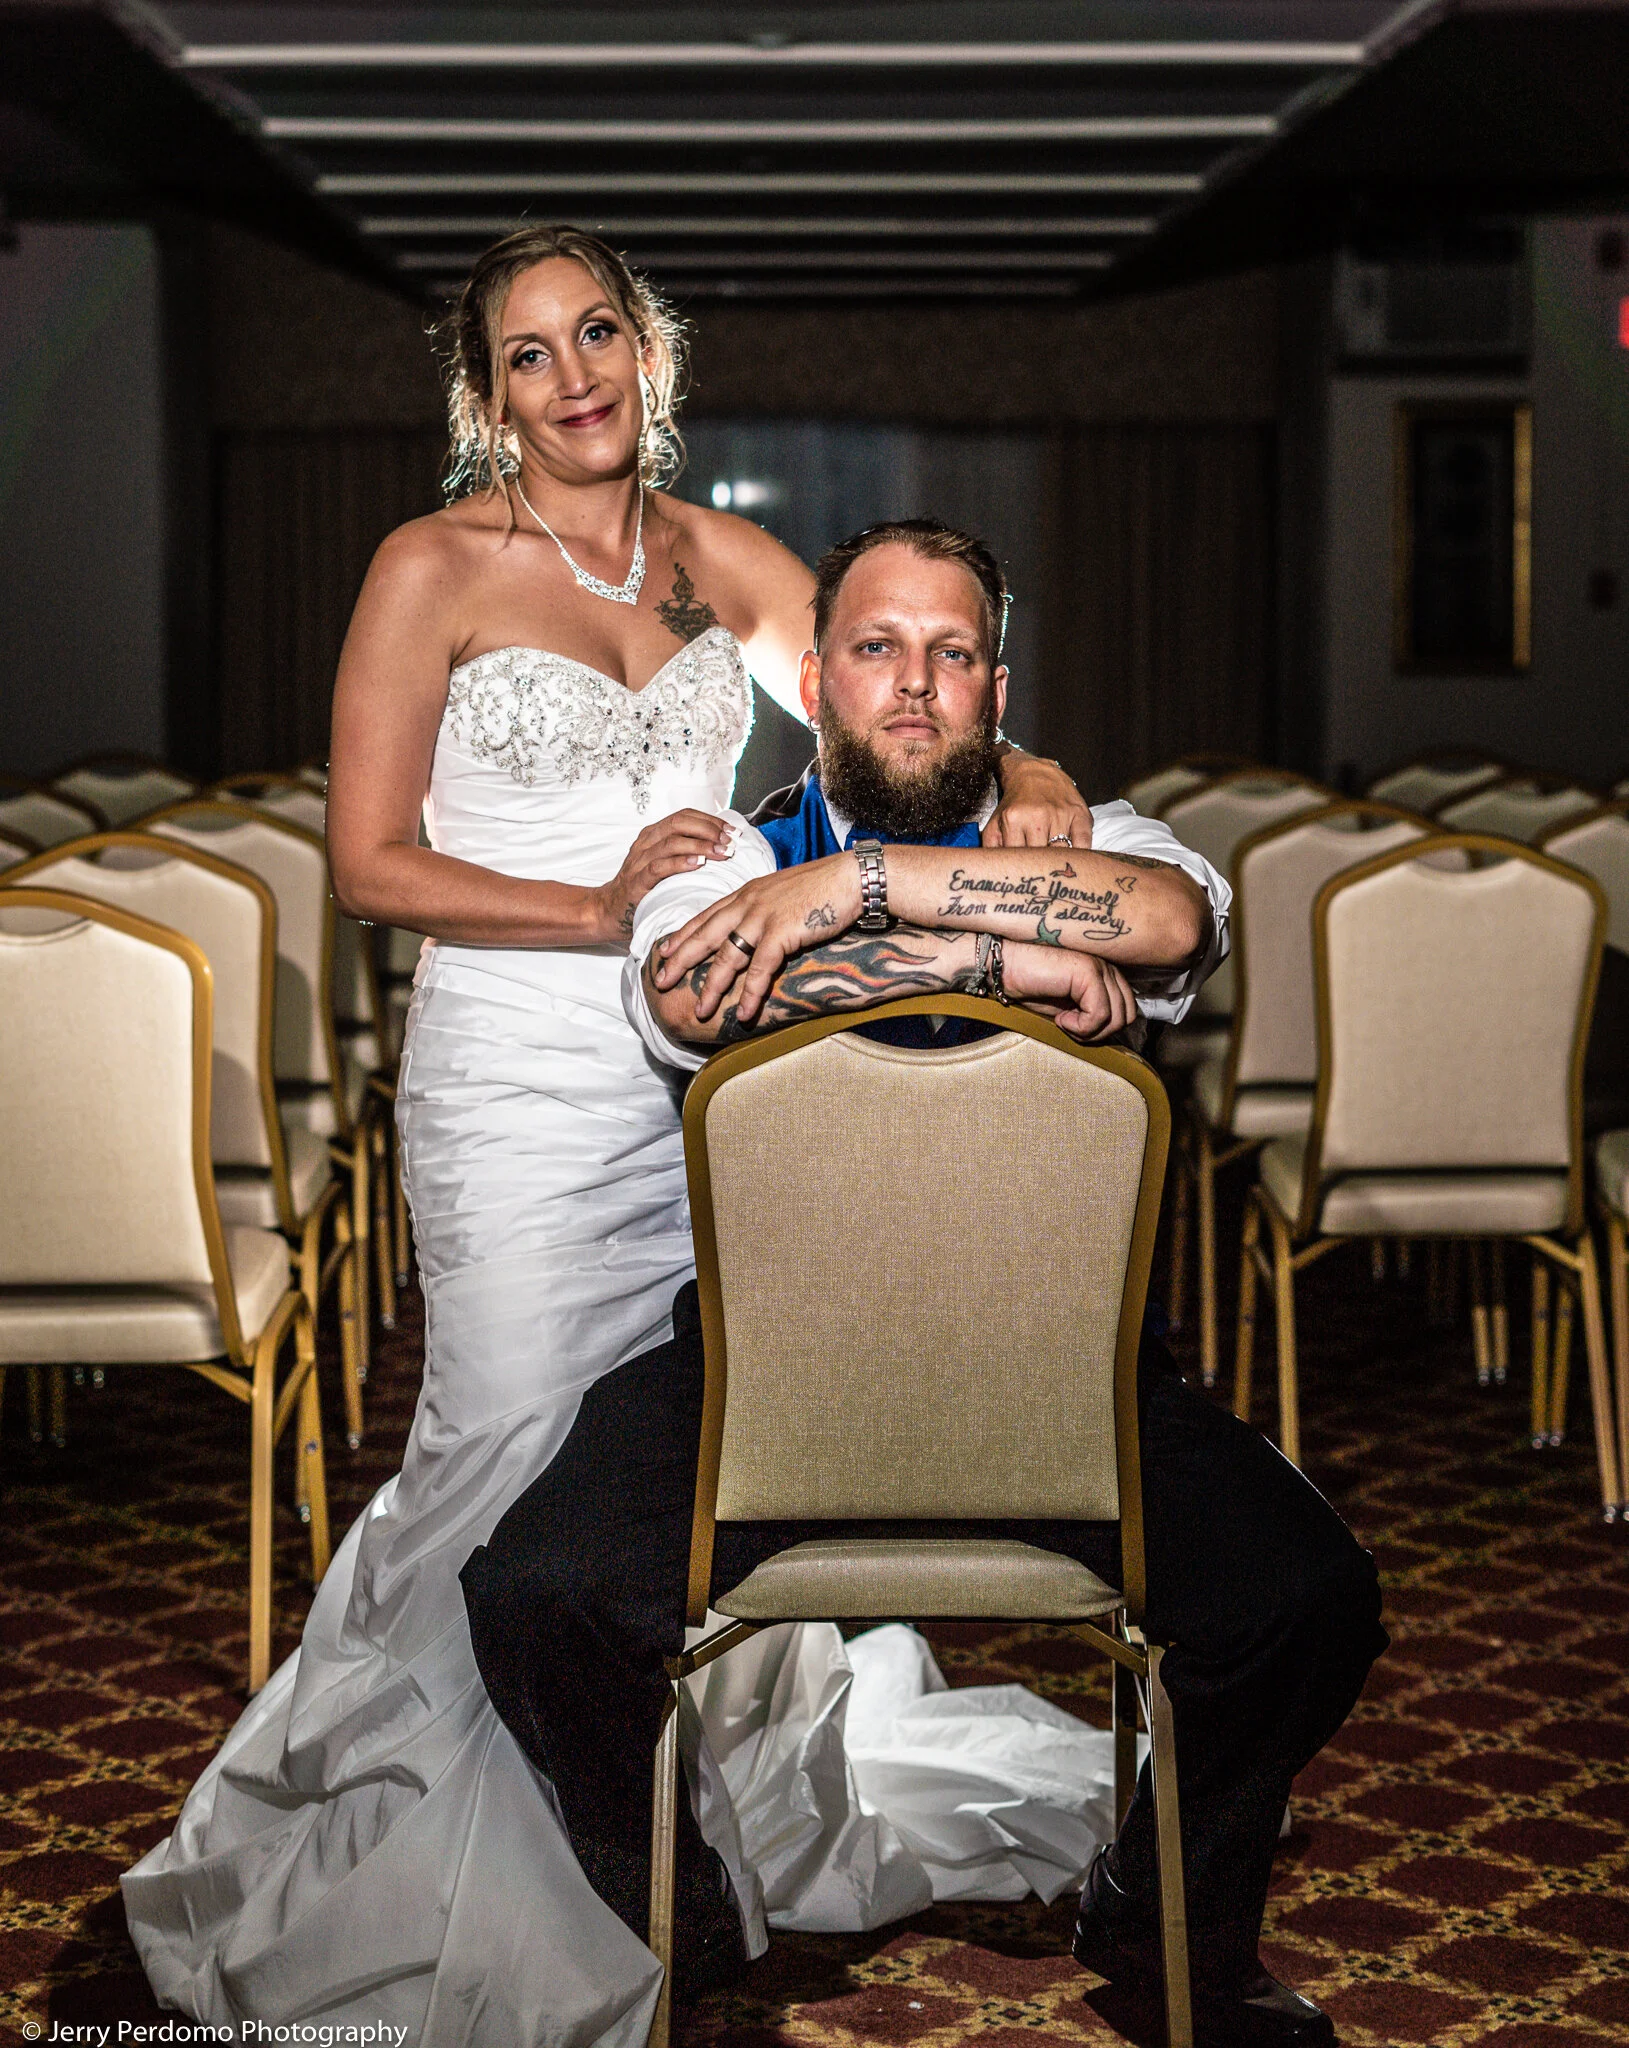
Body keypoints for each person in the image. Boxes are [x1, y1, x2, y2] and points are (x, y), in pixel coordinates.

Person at [120, 229, 1091, 2046]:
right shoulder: (428, 567)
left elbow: (896, 693)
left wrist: (1031, 774)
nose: (572, 376)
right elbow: (367, 863)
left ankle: (684, 1805)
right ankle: (481, 1862)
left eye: (597, 335)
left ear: (650, 353)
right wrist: (592, 910)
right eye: (528, 353)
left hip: (708, 1081)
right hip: (513, 1075)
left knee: (679, 1463)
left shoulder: (722, 559)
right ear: (485, 397)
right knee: (501, 1445)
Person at [465, 522, 1386, 2048]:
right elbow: (696, 990)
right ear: (817, 678)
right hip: (768, 1388)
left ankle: (1165, 1920)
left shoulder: (1096, 836)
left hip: (1063, 1386)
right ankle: (688, 1923)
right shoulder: (726, 855)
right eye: (878, 648)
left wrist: (863, 889)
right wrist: (996, 964)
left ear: (997, 691)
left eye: (953, 654)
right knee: (534, 1596)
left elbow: (1169, 922)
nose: (914, 683)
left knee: (1311, 1602)